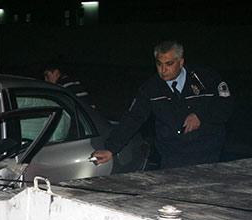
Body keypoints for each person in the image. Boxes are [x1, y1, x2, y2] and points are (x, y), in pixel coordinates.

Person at [92, 40, 234, 169]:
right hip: (172, 157)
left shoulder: (205, 79)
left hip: (207, 154)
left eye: (169, 64)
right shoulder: (151, 89)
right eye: (159, 64)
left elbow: (225, 105)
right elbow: (133, 118)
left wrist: (200, 116)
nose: (163, 70)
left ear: (181, 62)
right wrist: (111, 149)